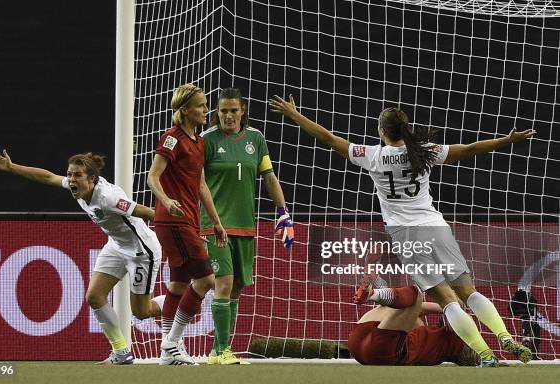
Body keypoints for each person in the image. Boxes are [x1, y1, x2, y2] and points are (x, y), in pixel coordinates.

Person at [269, 96, 535, 367]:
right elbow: (469, 149)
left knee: (447, 302)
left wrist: (295, 115)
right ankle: (503, 336)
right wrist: (506, 140)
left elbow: (327, 137)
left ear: (381, 131)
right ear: (406, 128)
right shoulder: (423, 151)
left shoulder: (372, 156)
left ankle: (486, 355)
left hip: (407, 235)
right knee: (468, 291)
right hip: (436, 226)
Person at [0, 149, 163, 365]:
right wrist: (12, 167)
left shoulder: (108, 198)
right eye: (69, 174)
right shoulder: (76, 188)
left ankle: (181, 299)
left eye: (77, 175)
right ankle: (121, 352)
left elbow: (146, 212)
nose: (71, 180)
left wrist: (178, 218)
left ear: (91, 179)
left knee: (142, 312)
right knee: (94, 297)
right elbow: (48, 177)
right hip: (116, 245)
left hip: (141, 250)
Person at [200, 88, 294, 365]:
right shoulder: (206, 140)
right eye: (223, 111)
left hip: (245, 225)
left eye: (233, 110)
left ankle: (221, 349)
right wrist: (209, 220)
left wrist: (283, 212)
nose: (228, 116)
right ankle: (219, 351)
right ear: (217, 113)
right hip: (215, 226)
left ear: (243, 111)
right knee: (224, 283)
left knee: (238, 286)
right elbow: (196, 183)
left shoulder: (256, 138)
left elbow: (269, 176)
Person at [147, 83, 228, 365]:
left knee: (179, 285)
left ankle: (167, 351)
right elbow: (153, 177)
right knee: (206, 280)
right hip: (173, 221)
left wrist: (216, 222)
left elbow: (202, 185)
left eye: (206, 105)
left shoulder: (199, 142)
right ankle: (171, 343)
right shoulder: (171, 138)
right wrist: (166, 200)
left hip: (189, 221)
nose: (207, 110)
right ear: (184, 111)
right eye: (201, 105)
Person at [349, 285, 480, 366]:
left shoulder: (459, 340)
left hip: (381, 350)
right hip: (362, 347)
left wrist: (451, 303)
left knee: (416, 294)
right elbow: (417, 310)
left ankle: (373, 294)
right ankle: (374, 293)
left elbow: (458, 307)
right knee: (393, 305)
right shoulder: (436, 347)